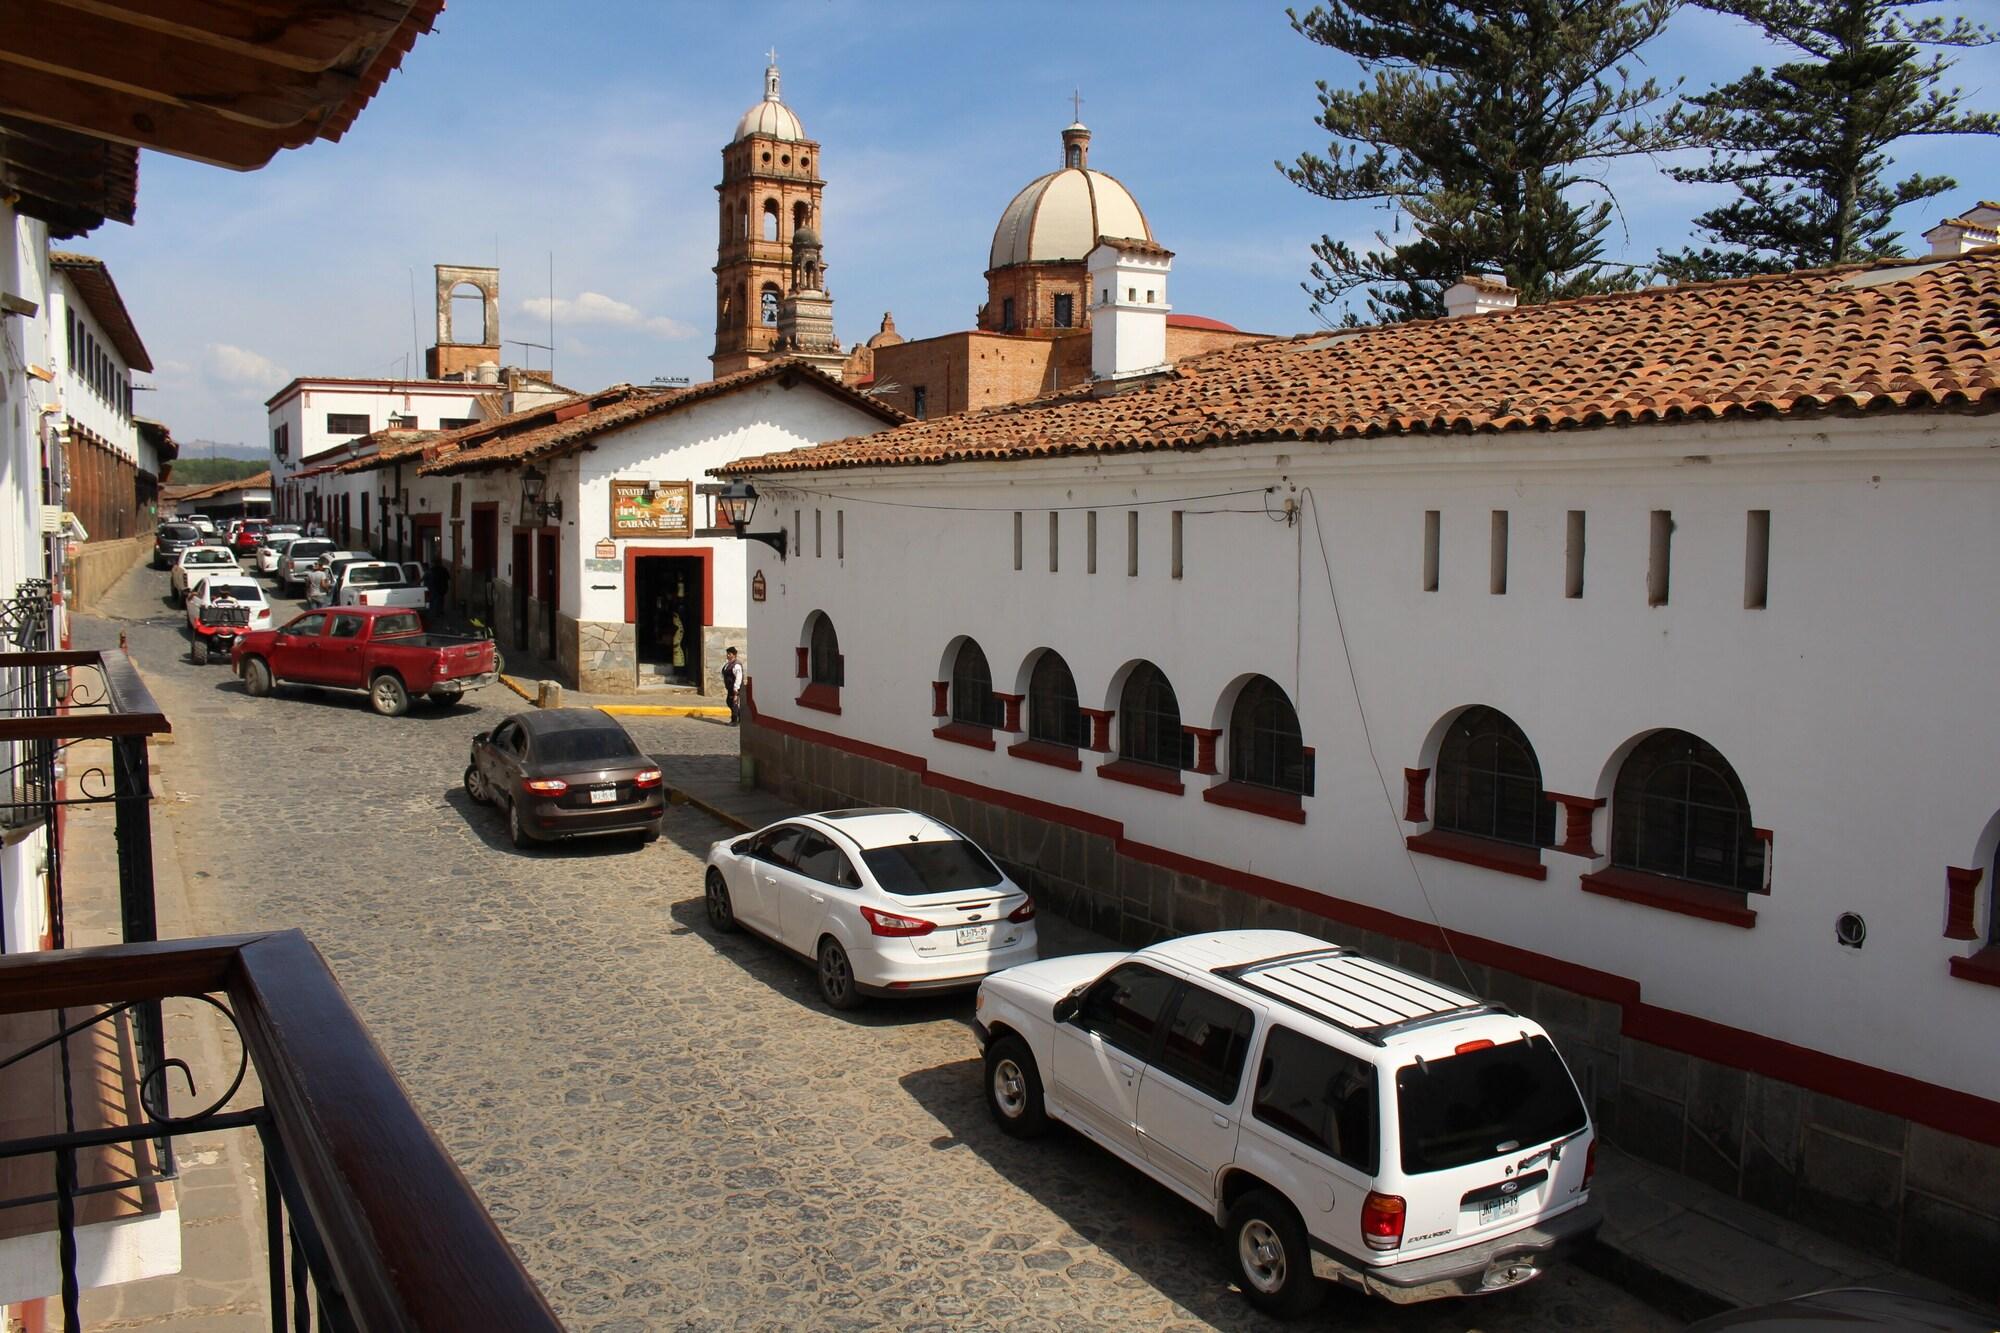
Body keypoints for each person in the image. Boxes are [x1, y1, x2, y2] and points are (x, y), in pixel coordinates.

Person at [722, 646, 745, 726]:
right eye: (727, 653)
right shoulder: (728, 664)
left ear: (734, 655)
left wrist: (736, 688)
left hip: (735, 688)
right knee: (730, 702)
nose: (728, 655)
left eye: (729, 654)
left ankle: (734, 720)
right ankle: (740, 717)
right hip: (730, 688)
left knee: (733, 703)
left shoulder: (736, 665)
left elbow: (738, 677)